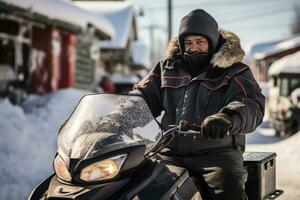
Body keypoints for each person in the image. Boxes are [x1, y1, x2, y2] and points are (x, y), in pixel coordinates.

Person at [98, 9, 264, 200]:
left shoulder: (235, 71)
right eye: (188, 43)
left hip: (216, 155)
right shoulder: (166, 68)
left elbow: (251, 103)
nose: (193, 48)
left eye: (200, 42)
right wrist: (113, 121)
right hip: (170, 154)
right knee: (144, 190)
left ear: (212, 41)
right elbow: (140, 99)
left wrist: (226, 118)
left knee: (227, 188)